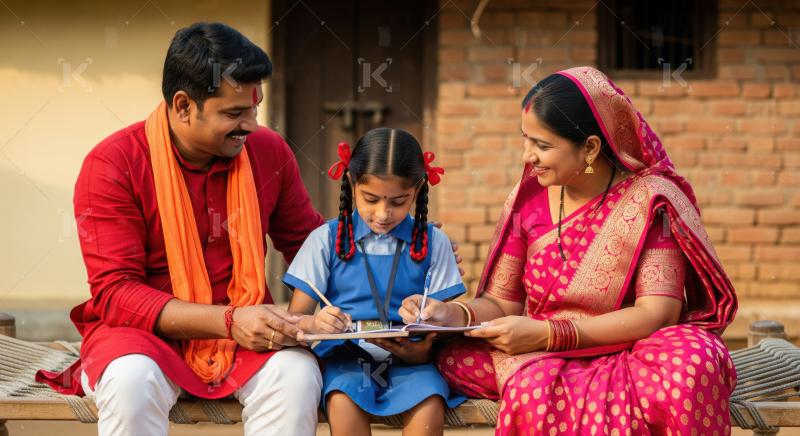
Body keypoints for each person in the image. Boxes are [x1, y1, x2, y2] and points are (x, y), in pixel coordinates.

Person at [401, 67, 738, 435]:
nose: (528, 156)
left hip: (633, 351)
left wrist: (550, 333)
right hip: (542, 355)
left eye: (542, 146)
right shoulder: (528, 199)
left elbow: (657, 314)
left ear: (590, 147)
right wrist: (451, 314)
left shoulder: (650, 201)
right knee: (453, 356)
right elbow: (501, 304)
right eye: (526, 140)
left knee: (695, 360)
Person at [35, 22, 326, 435]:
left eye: (254, 109)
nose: (250, 124)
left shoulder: (268, 151)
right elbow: (116, 292)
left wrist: (386, 269)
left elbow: (311, 247)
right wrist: (229, 320)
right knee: (130, 383)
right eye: (234, 113)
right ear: (184, 105)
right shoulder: (113, 164)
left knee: (296, 377)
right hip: (143, 337)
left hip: (246, 338)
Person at [284, 127, 466, 436]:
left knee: (430, 402)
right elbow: (295, 320)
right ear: (352, 183)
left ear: (418, 190)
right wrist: (317, 323)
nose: (383, 214)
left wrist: (423, 347)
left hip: (413, 361)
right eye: (370, 199)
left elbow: (445, 324)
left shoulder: (434, 242)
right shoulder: (325, 240)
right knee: (342, 400)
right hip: (346, 358)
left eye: (398, 201)